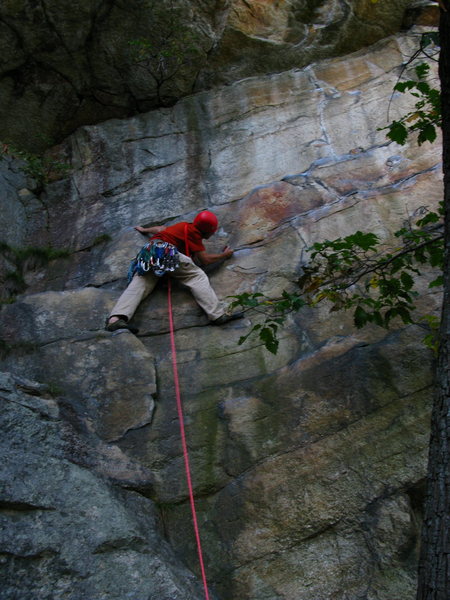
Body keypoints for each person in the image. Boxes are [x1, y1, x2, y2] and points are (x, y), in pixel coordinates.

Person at [105, 210, 243, 333]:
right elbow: (204, 260)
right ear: (208, 230)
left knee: (141, 283)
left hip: (148, 252)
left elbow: (160, 229)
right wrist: (225, 255)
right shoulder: (193, 231)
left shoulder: (180, 226)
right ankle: (217, 314)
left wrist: (144, 229)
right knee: (196, 276)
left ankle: (115, 319)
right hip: (165, 251)